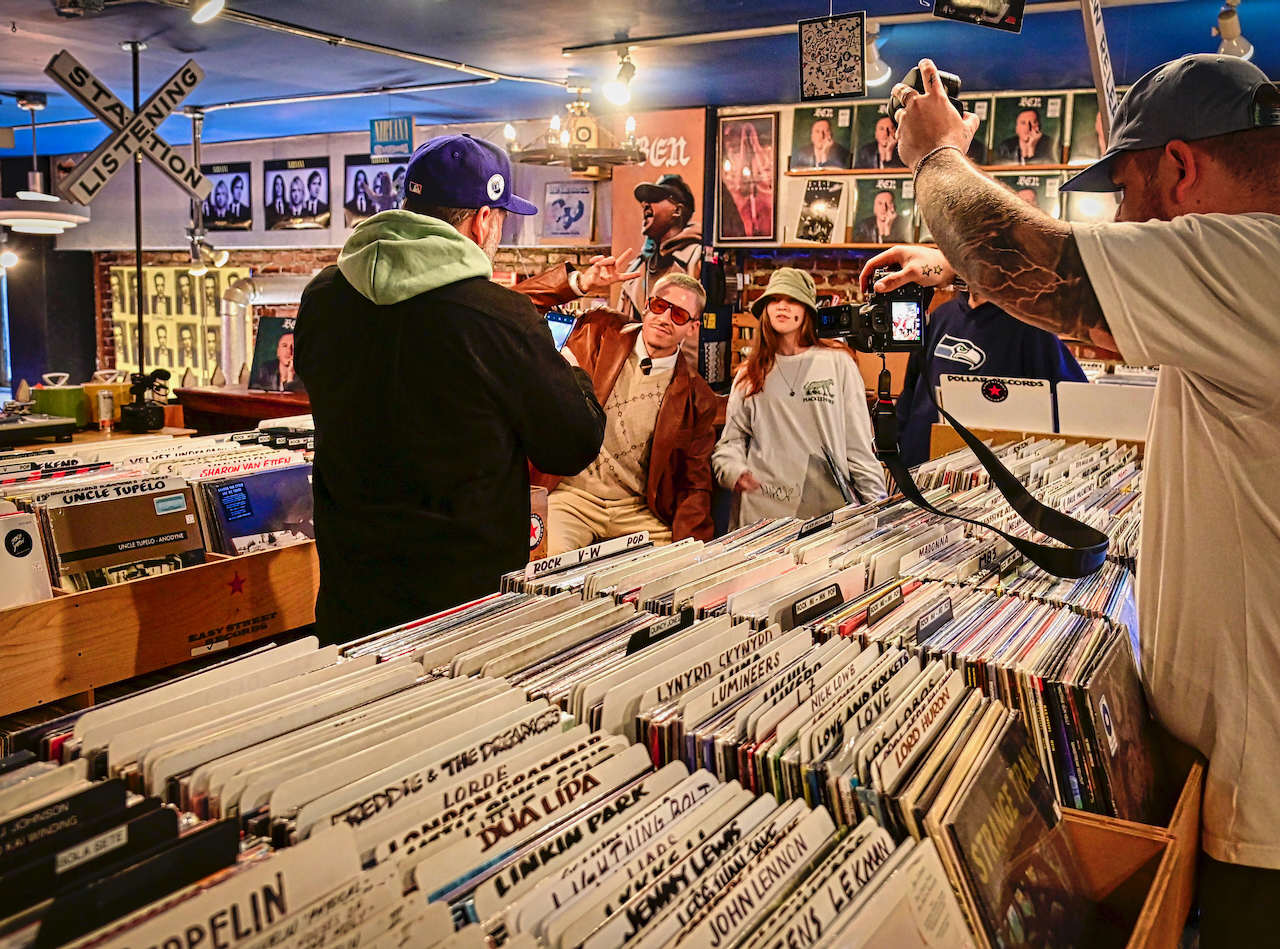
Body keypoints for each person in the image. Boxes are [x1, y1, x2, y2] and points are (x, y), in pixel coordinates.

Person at [885, 55, 1280, 946]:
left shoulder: (1255, 256)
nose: (1128, 221)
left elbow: (1019, 255)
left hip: (1265, 823)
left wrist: (936, 155)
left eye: (1131, 193)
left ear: (1182, 169)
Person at [295, 133, 636, 643]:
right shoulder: (500, 319)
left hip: (352, 585)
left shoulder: (323, 294)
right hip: (462, 607)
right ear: (484, 220)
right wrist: (568, 364)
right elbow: (572, 441)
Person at [534, 273, 718, 555]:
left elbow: (695, 483)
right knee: (544, 568)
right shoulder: (599, 332)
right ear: (646, 306)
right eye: (659, 306)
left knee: (673, 574)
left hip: (636, 510)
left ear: (692, 328)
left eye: (679, 314)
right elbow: (517, 308)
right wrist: (577, 283)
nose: (665, 318)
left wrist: (695, 550)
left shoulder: (698, 397)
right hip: (572, 498)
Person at [713, 268, 885, 526]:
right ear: (765, 310)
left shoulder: (838, 363)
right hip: (760, 513)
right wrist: (734, 472)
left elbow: (858, 443)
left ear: (806, 310)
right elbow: (731, 441)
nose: (782, 306)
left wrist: (877, 508)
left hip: (827, 510)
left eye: (792, 300)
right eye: (774, 300)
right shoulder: (750, 373)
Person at [864, 277, 1087, 467]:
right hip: (920, 467)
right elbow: (912, 392)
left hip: (987, 479)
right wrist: (897, 446)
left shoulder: (1031, 327)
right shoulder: (940, 317)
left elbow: (1073, 403)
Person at [619, 174, 702, 322]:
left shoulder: (697, 259)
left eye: (655, 198)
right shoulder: (636, 269)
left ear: (677, 211)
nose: (645, 204)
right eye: (644, 200)